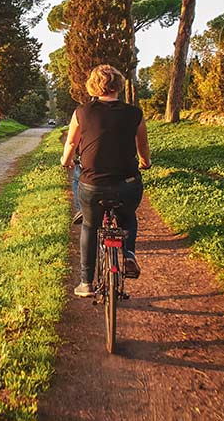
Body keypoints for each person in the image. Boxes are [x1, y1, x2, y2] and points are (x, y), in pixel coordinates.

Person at [60, 65, 151, 297]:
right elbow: (142, 146)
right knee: (128, 216)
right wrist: (145, 162)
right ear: (118, 85)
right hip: (127, 184)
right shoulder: (135, 113)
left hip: (93, 185)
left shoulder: (82, 112)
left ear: (93, 86)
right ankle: (129, 255)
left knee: (90, 225)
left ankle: (86, 283)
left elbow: (71, 144)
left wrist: (66, 162)